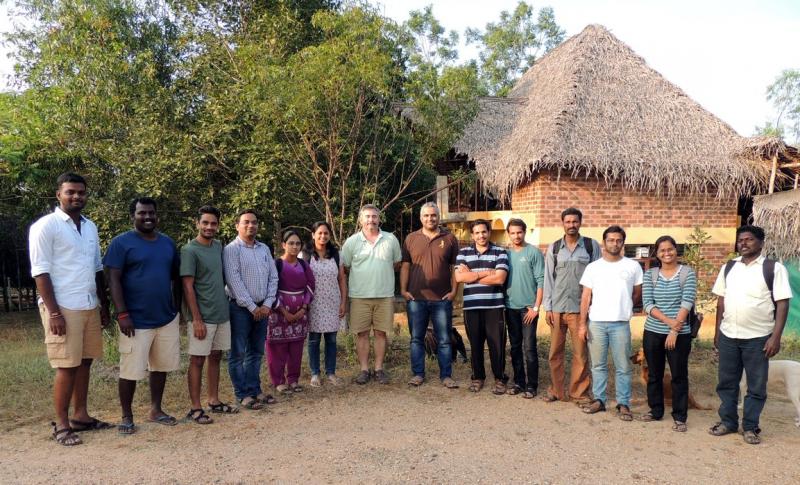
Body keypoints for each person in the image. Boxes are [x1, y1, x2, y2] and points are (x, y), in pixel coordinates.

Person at [29, 173, 112, 446]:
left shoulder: (90, 227)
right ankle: (62, 425)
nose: (76, 196)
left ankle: (81, 416)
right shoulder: (46, 226)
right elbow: (40, 272)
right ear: (59, 195)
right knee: (66, 365)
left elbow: (97, 268)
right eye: (70, 192)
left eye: (81, 192)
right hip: (62, 306)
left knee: (85, 361)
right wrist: (53, 313)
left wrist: (103, 304)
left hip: (88, 303)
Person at [104, 197, 182, 434]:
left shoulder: (168, 243)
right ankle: (127, 416)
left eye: (151, 213)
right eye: (142, 213)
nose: (147, 217)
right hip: (134, 319)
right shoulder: (121, 243)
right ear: (133, 216)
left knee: (160, 367)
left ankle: (156, 409)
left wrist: (176, 308)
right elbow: (112, 279)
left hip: (165, 317)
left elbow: (176, 278)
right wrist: (122, 313)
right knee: (130, 370)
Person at [709, 225, 792, 445]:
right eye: (740, 240)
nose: (743, 243)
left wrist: (775, 336)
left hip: (758, 338)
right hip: (729, 335)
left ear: (761, 243)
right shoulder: (729, 267)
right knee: (726, 383)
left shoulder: (773, 268)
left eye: (749, 239)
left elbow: (782, 303)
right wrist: (718, 332)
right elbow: (720, 301)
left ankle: (750, 427)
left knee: (756, 386)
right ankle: (727, 422)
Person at [578, 225, 642, 421]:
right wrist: (582, 324)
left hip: (620, 324)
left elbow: (637, 294)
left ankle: (623, 403)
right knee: (598, 365)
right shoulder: (593, 267)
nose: (615, 243)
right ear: (604, 242)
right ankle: (599, 400)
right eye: (611, 240)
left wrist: (625, 307)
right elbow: (586, 297)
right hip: (596, 322)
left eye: (618, 240)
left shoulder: (632, 266)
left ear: (623, 242)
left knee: (623, 366)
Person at [181, 206, 238, 424]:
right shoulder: (189, 250)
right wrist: (196, 319)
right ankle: (195, 407)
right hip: (202, 316)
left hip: (221, 313)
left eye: (213, 223)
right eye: (205, 223)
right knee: (197, 360)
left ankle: (213, 400)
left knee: (216, 357)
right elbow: (188, 287)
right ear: (197, 223)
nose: (209, 227)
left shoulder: (218, 247)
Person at [540, 207, 600, 404]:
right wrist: (547, 307)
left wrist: (593, 306)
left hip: (580, 311)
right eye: (568, 222)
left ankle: (578, 393)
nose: (571, 225)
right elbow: (548, 278)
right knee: (554, 353)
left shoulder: (591, 247)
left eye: (575, 221)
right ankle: (556, 391)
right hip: (557, 309)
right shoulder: (555, 248)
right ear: (563, 223)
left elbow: (598, 278)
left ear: (580, 223)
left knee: (580, 354)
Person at [639, 236, 697, 432]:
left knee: (679, 375)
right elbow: (647, 304)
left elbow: (687, 302)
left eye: (670, 249)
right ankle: (655, 410)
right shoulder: (651, 274)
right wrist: (668, 322)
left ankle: (680, 416)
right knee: (654, 374)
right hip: (653, 331)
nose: (667, 253)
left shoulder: (687, 273)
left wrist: (674, 329)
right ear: (657, 254)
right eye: (662, 250)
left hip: (680, 334)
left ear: (676, 250)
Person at [340, 204, 402, 385]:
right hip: (359, 296)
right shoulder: (351, 242)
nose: (371, 220)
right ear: (360, 220)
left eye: (374, 216)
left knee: (382, 333)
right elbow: (345, 268)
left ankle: (379, 369)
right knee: (362, 334)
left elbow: (396, 264)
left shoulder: (390, 239)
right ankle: (364, 370)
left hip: (384, 296)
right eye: (367, 217)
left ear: (379, 219)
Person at [400, 202, 460, 389]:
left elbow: (454, 268)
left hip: (442, 299)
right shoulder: (411, 238)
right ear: (420, 218)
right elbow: (405, 266)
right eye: (426, 215)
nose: (430, 218)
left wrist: (454, 292)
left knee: (444, 339)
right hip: (416, 299)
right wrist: (403, 290)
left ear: (438, 217)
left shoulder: (449, 238)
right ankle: (418, 374)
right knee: (416, 338)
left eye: (433, 215)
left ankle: (446, 376)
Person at [224, 209, 279, 410]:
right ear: (237, 225)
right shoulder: (231, 249)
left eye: (254, 222)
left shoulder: (264, 248)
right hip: (240, 309)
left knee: (256, 352)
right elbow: (233, 280)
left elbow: (274, 277)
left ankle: (255, 389)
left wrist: (267, 304)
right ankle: (242, 394)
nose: (251, 225)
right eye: (246, 222)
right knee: (237, 353)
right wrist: (252, 306)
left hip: (263, 308)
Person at [455, 219, 509, 395]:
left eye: (484, 232)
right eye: (477, 233)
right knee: (475, 344)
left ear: (489, 232)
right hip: (472, 307)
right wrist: (486, 273)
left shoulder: (500, 252)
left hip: (494, 306)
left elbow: (500, 279)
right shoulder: (463, 253)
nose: (481, 235)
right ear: (472, 235)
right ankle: (478, 377)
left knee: (497, 344)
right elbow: (459, 278)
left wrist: (472, 275)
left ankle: (500, 379)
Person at [267, 230, 315, 393]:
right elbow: (271, 288)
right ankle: (279, 381)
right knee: (277, 349)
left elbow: (310, 286)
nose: (294, 247)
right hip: (278, 314)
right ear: (283, 245)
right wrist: (283, 310)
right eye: (291, 243)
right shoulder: (276, 264)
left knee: (296, 348)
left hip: (300, 315)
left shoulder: (304, 265)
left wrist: (304, 308)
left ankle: (293, 379)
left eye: (297, 244)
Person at [504, 218, 545, 398]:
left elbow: (541, 281)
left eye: (519, 232)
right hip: (510, 307)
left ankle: (532, 385)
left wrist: (535, 308)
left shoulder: (533, 252)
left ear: (524, 232)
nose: (516, 236)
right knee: (514, 347)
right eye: (512, 233)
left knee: (529, 348)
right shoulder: (505, 254)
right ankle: (519, 382)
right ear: (508, 234)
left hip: (528, 309)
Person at [304, 221, 347, 387]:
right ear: (313, 234)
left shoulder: (337, 255)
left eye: (326, 233)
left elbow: (342, 279)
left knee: (332, 340)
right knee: (314, 340)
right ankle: (315, 374)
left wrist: (343, 302)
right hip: (313, 303)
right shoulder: (305, 255)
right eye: (319, 233)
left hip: (332, 302)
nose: (323, 236)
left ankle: (331, 372)